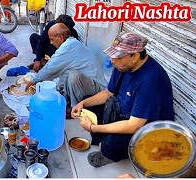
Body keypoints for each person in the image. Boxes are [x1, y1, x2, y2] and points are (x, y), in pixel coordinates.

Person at [71, 33, 174, 167]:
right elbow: (108, 93)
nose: (113, 61)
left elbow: (134, 125)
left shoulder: (150, 80)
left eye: (118, 56)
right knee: (87, 104)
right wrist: (82, 103)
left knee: (111, 144)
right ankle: (103, 138)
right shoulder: (123, 65)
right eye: (113, 55)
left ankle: (109, 151)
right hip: (124, 111)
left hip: (146, 127)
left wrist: (93, 128)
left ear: (135, 56)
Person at [25, 23, 105, 113]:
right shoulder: (71, 43)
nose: (51, 43)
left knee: (73, 75)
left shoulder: (68, 47)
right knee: (66, 73)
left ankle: (74, 108)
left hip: (98, 90)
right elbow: (57, 70)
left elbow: (50, 68)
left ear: (61, 37)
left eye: (52, 39)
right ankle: (69, 100)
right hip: (89, 84)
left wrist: (33, 80)